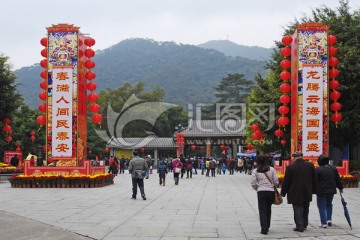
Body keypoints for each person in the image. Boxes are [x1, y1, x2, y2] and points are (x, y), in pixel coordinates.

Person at [280, 151, 318, 232]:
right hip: (307, 190)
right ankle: (304, 224)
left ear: (294, 157)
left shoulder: (291, 167)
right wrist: (314, 190)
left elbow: (286, 181)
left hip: (295, 191)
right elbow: (314, 179)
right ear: (302, 156)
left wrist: (283, 193)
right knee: (306, 207)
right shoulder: (310, 165)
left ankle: (299, 226)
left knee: (297, 208)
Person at [251, 155, 279, 235]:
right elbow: (276, 181)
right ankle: (268, 225)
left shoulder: (256, 170)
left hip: (261, 192)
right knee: (268, 208)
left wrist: (257, 188)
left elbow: (253, 182)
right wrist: (273, 187)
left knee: (262, 210)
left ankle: (264, 228)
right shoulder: (272, 169)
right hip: (270, 191)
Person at [316, 154, 344, 228]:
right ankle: (329, 220)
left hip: (321, 191)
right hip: (331, 190)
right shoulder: (333, 168)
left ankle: (323, 222)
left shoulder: (318, 169)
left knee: (321, 206)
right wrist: (340, 188)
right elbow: (337, 179)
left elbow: (315, 181)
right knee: (329, 205)